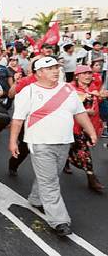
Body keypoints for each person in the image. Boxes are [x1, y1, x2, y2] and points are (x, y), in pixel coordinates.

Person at [9, 56, 97, 237]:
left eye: (56, 67)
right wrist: (12, 141)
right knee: (50, 181)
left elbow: (79, 113)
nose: (55, 71)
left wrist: (91, 131)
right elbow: (17, 119)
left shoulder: (67, 89)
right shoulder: (29, 92)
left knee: (50, 176)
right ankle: (59, 221)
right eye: (50, 69)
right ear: (39, 73)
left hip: (64, 141)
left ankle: (35, 198)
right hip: (40, 143)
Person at [65, 65, 104, 192]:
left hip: (89, 126)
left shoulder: (93, 87)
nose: (88, 76)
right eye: (84, 73)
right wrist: (87, 111)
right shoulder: (70, 88)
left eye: (89, 73)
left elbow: (97, 103)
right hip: (73, 126)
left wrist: (100, 97)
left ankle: (66, 161)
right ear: (77, 75)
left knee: (75, 149)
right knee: (83, 151)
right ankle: (91, 179)